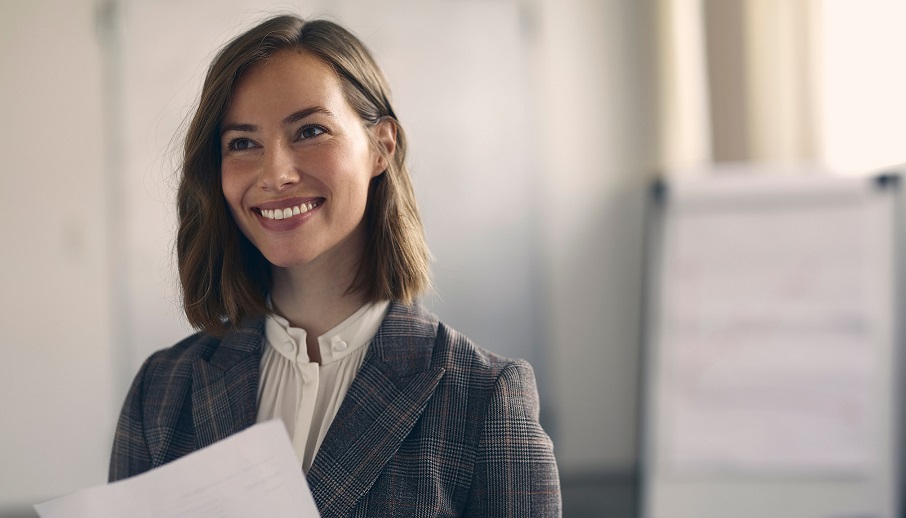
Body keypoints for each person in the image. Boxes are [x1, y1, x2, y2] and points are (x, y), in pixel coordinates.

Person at [109, 13, 561, 517]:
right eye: (242, 143)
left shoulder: (484, 400)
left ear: (381, 146)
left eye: (310, 131)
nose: (276, 173)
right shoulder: (164, 389)